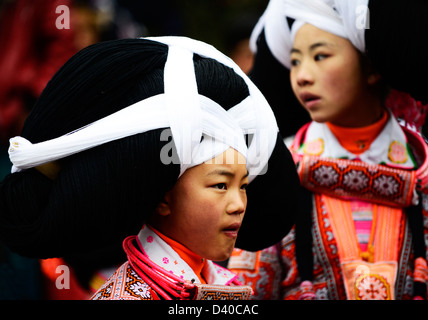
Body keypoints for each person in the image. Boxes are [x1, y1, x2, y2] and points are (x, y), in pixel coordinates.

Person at [0, 36, 300, 300]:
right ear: (163, 196)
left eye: (243, 186)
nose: (238, 205)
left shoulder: (223, 286)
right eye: (220, 185)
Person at [228, 0, 428, 300]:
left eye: (320, 56)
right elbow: (245, 293)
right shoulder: (275, 170)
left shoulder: (421, 169)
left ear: (371, 68)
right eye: (295, 61)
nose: (302, 76)